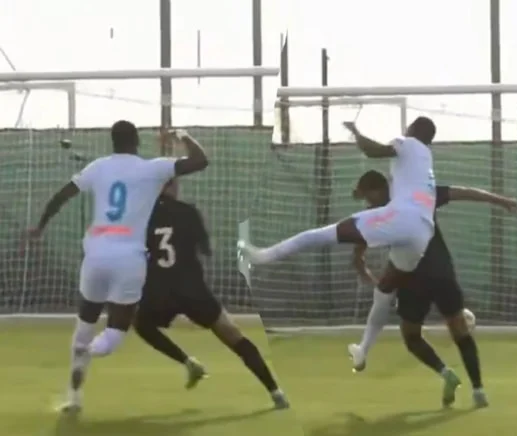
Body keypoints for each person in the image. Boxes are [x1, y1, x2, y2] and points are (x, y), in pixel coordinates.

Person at [26, 123, 208, 413]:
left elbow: (62, 195)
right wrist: (183, 136)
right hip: (129, 259)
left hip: (95, 255)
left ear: (112, 142)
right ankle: (90, 350)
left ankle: (74, 396)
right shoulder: (152, 168)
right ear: (137, 141)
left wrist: (40, 226)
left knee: (84, 325)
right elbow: (200, 161)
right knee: (114, 334)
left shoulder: (98, 167)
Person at [347, 170, 517, 408]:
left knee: (412, 337)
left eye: (368, 195)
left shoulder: (379, 214)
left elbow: (358, 252)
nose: (368, 201)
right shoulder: (419, 197)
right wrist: (501, 200)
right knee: (459, 332)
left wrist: (364, 271)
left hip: (411, 279)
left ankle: (447, 374)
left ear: (379, 190)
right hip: (441, 273)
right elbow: (463, 192)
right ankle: (478, 390)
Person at [238, 117, 438, 297]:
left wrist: (355, 132)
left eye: (409, 127)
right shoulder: (425, 162)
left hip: (401, 219)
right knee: (386, 289)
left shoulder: (407, 144)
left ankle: (260, 257)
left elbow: (372, 151)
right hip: (423, 232)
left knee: (313, 237)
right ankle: (381, 316)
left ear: (413, 130)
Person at [135, 178, 289, 409]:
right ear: (173, 186)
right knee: (235, 338)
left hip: (159, 290)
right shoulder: (188, 211)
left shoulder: (143, 215)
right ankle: (276, 392)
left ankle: (188, 362)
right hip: (192, 290)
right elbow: (207, 250)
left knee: (142, 325)